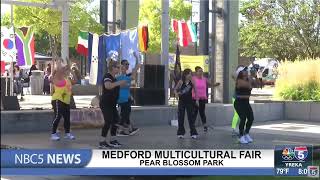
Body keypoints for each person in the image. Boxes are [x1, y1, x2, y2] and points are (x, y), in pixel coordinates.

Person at [99, 60, 127, 148]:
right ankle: (102, 141)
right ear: (112, 68)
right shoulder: (107, 76)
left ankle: (113, 140)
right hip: (106, 103)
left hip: (112, 103)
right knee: (108, 121)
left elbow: (117, 87)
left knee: (115, 121)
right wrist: (119, 83)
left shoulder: (114, 78)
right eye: (117, 67)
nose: (119, 69)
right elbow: (108, 86)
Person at [116, 52, 141, 136]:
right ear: (121, 65)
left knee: (126, 113)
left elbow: (136, 68)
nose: (127, 66)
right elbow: (119, 85)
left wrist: (137, 58)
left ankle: (128, 129)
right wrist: (126, 84)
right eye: (126, 64)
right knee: (125, 114)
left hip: (126, 98)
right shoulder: (118, 76)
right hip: (121, 98)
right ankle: (120, 130)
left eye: (128, 64)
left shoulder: (127, 76)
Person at [50, 58, 75, 141]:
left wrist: (70, 69)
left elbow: (76, 80)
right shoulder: (56, 77)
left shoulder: (67, 79)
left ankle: (67, 133)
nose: (65, 70)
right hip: (58, 99)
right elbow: (59, 69)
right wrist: (59, 62)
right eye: (64, 69)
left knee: (67, 118)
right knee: (58, 116)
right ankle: (53, 134)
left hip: (66, 101)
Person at [192, 66, 220, 132]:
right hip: (195, 98)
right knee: (194, 112)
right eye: (199, 71)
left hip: (202, 98)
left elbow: (210, 84)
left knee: (202, 112)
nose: (201, 72)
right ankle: (192, 125)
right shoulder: (193, 79)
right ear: (196, 72)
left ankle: (205, 125)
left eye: (202, 71)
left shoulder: (204, 79)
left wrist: (215, 84)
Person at [234, 67, 255, 144]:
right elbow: (249, 86)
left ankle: (246, 133)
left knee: (251, 118)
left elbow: (257, 84)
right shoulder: (239, 81)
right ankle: (240, 136)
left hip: (246, 102)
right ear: (240, 73)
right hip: (239, 103)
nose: (246, 71)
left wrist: (254, 76)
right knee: (243, 118)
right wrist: (250, 79)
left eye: (246, 70)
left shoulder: (248, 79)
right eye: (244, 71)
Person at [175, 68, 198, 139]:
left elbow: (196, 91)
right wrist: (176, 94)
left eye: (191, 74)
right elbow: (175, 89)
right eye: (189, 74)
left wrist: (197, 100)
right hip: (181, 102)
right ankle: (180, 133)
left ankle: (193, 133)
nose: (190, 75)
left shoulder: (192, 82)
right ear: (185, 74)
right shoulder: (181, 82)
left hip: (189, 102)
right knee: (180, 117)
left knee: (190, 118)